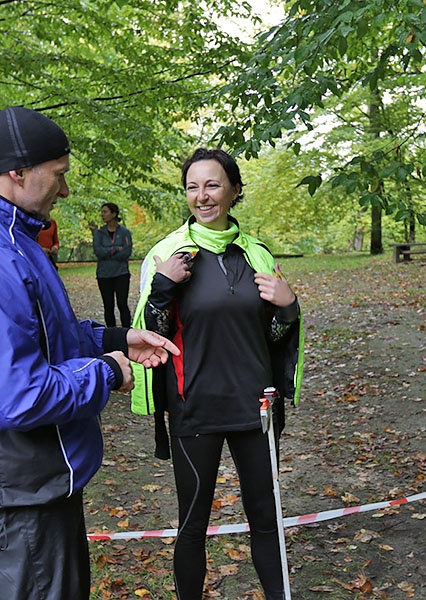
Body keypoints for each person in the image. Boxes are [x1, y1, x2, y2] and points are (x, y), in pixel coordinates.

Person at [0, 106, 178, 600]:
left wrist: (116, 339)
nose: (64, 189)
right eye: (58, 175)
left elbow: (44, 332)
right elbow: (19, 396)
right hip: (17, 491)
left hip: (35, 481)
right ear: (18, 172)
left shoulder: (13, 238)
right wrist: (106, 373)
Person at [130, 148, 305, 599]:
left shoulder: (258, 256)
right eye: (192, 186)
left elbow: (274, 337)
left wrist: (288, 307)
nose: (201, 195)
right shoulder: (168, 255)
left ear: (234, 190)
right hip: (195, 409)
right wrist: (163, 288)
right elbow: (152, 337)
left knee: (265, 520)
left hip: (256, 409)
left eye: (211, 184)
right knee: (193, 525)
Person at [93, 202, 132, 327]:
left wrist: (108, 251)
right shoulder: (99, 233)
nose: (102, 215)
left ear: (114, 214)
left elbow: (126, 252)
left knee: (122, 304)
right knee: (108, 306)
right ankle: (112, 333)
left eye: (105, 212)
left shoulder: (125, 232)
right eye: (102, 212)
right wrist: (116, 249)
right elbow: (98, 251)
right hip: (104, 275)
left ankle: (127, 331)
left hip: (121, 274)